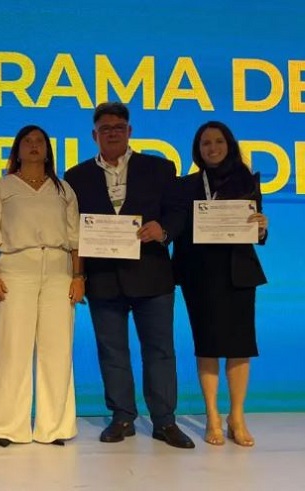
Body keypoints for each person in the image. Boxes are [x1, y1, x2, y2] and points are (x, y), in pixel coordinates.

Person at [64, 102, 195, 449]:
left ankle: (165, 421)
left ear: (130, 131)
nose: (112, 133)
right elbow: (72, 230)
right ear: (94, 135)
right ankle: (122, 417)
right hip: (103, 278)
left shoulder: (160, 168)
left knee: (160, 351)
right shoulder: (75, 177)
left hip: (152, 275)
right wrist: (78, 275)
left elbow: (178, 212)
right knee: (112, 351)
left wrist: (163, 229)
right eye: (105, 129)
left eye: (118, 127)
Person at [0, 125, 82, 447]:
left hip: (59, 271)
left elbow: (76, 238)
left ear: (48, 150)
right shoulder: (3, 187)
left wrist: (79, 277)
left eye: (40, 142)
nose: (34, 146)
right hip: (15, 269)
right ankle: (6, 426)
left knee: (58, 351)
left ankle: (54, 428)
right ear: (17, 149)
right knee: (13, 349)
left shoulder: (63, 189)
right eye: (27, 141)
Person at [172, 121, 268, 447]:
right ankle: (212, 415)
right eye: (205, 143)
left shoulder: (247, 181)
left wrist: (261, 227)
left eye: (218, 142)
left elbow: (256, 230)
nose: (212, 148)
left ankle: (236, 416)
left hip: (238, 272)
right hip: (199, 275)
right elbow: (178, 229)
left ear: (229, 144)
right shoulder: (186, 185)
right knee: (208, 344)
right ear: (197, 150)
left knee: (240, 347)